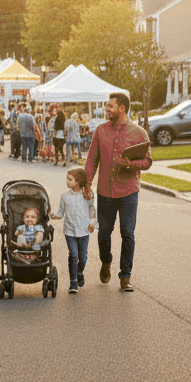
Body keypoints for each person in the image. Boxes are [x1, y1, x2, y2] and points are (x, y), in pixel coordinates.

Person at [84, 92, 151, 292]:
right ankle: (106, 261)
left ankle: (125, 276)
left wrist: (130, 164)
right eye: (107, 106)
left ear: (122, 108)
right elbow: (91, 159)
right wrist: (86, 184)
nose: (107, 109)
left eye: (110, 106)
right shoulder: (100, 131)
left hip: (129, 191)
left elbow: (147, 161)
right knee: (104, 233)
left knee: (127, 233)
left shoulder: (139, 133)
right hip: (105, 190)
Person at [50, 167, 97, 294]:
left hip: (84, 231)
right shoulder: (65, 196)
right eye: (67, 179)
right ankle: (73, 282)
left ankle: (79, 271)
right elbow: (61, 212)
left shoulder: (87, 195)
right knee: (74, 255)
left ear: (78, 181)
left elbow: (93, 212)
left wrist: (92, 223)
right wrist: (54, 215)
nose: (67, 182)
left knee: (83, 257)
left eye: (70, 179)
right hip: (69, 231)